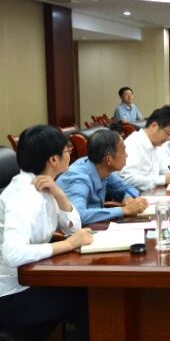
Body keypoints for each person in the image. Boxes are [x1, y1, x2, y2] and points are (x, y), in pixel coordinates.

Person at [0, 125, 93, 340]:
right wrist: (69, 244)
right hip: (11, 295)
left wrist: (59, 195)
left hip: (32, 279)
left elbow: (74, 229)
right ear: (53, 159)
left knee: (88, 291)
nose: (70, 154)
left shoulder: (43, 184)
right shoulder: (23, 196)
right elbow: (13, 254)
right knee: (91, 298)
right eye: (67, 149)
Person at [57, 129, 148, 225]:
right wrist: (124, 210)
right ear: (109, 159)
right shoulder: (79, 179)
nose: (127, 155)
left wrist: (128, 198)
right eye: (123, 151)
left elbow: (128, 188)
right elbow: (77, 216)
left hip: (92, 227)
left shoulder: (102, 169)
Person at [119, 105, 170, 191]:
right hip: (136, 196)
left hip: (152, 192)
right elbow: (127, 178)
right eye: (168, 133)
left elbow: (164, 168)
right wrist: (162, 179)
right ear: (154, 126)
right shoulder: (135, 143)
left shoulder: (156, 144)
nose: (168, 139)